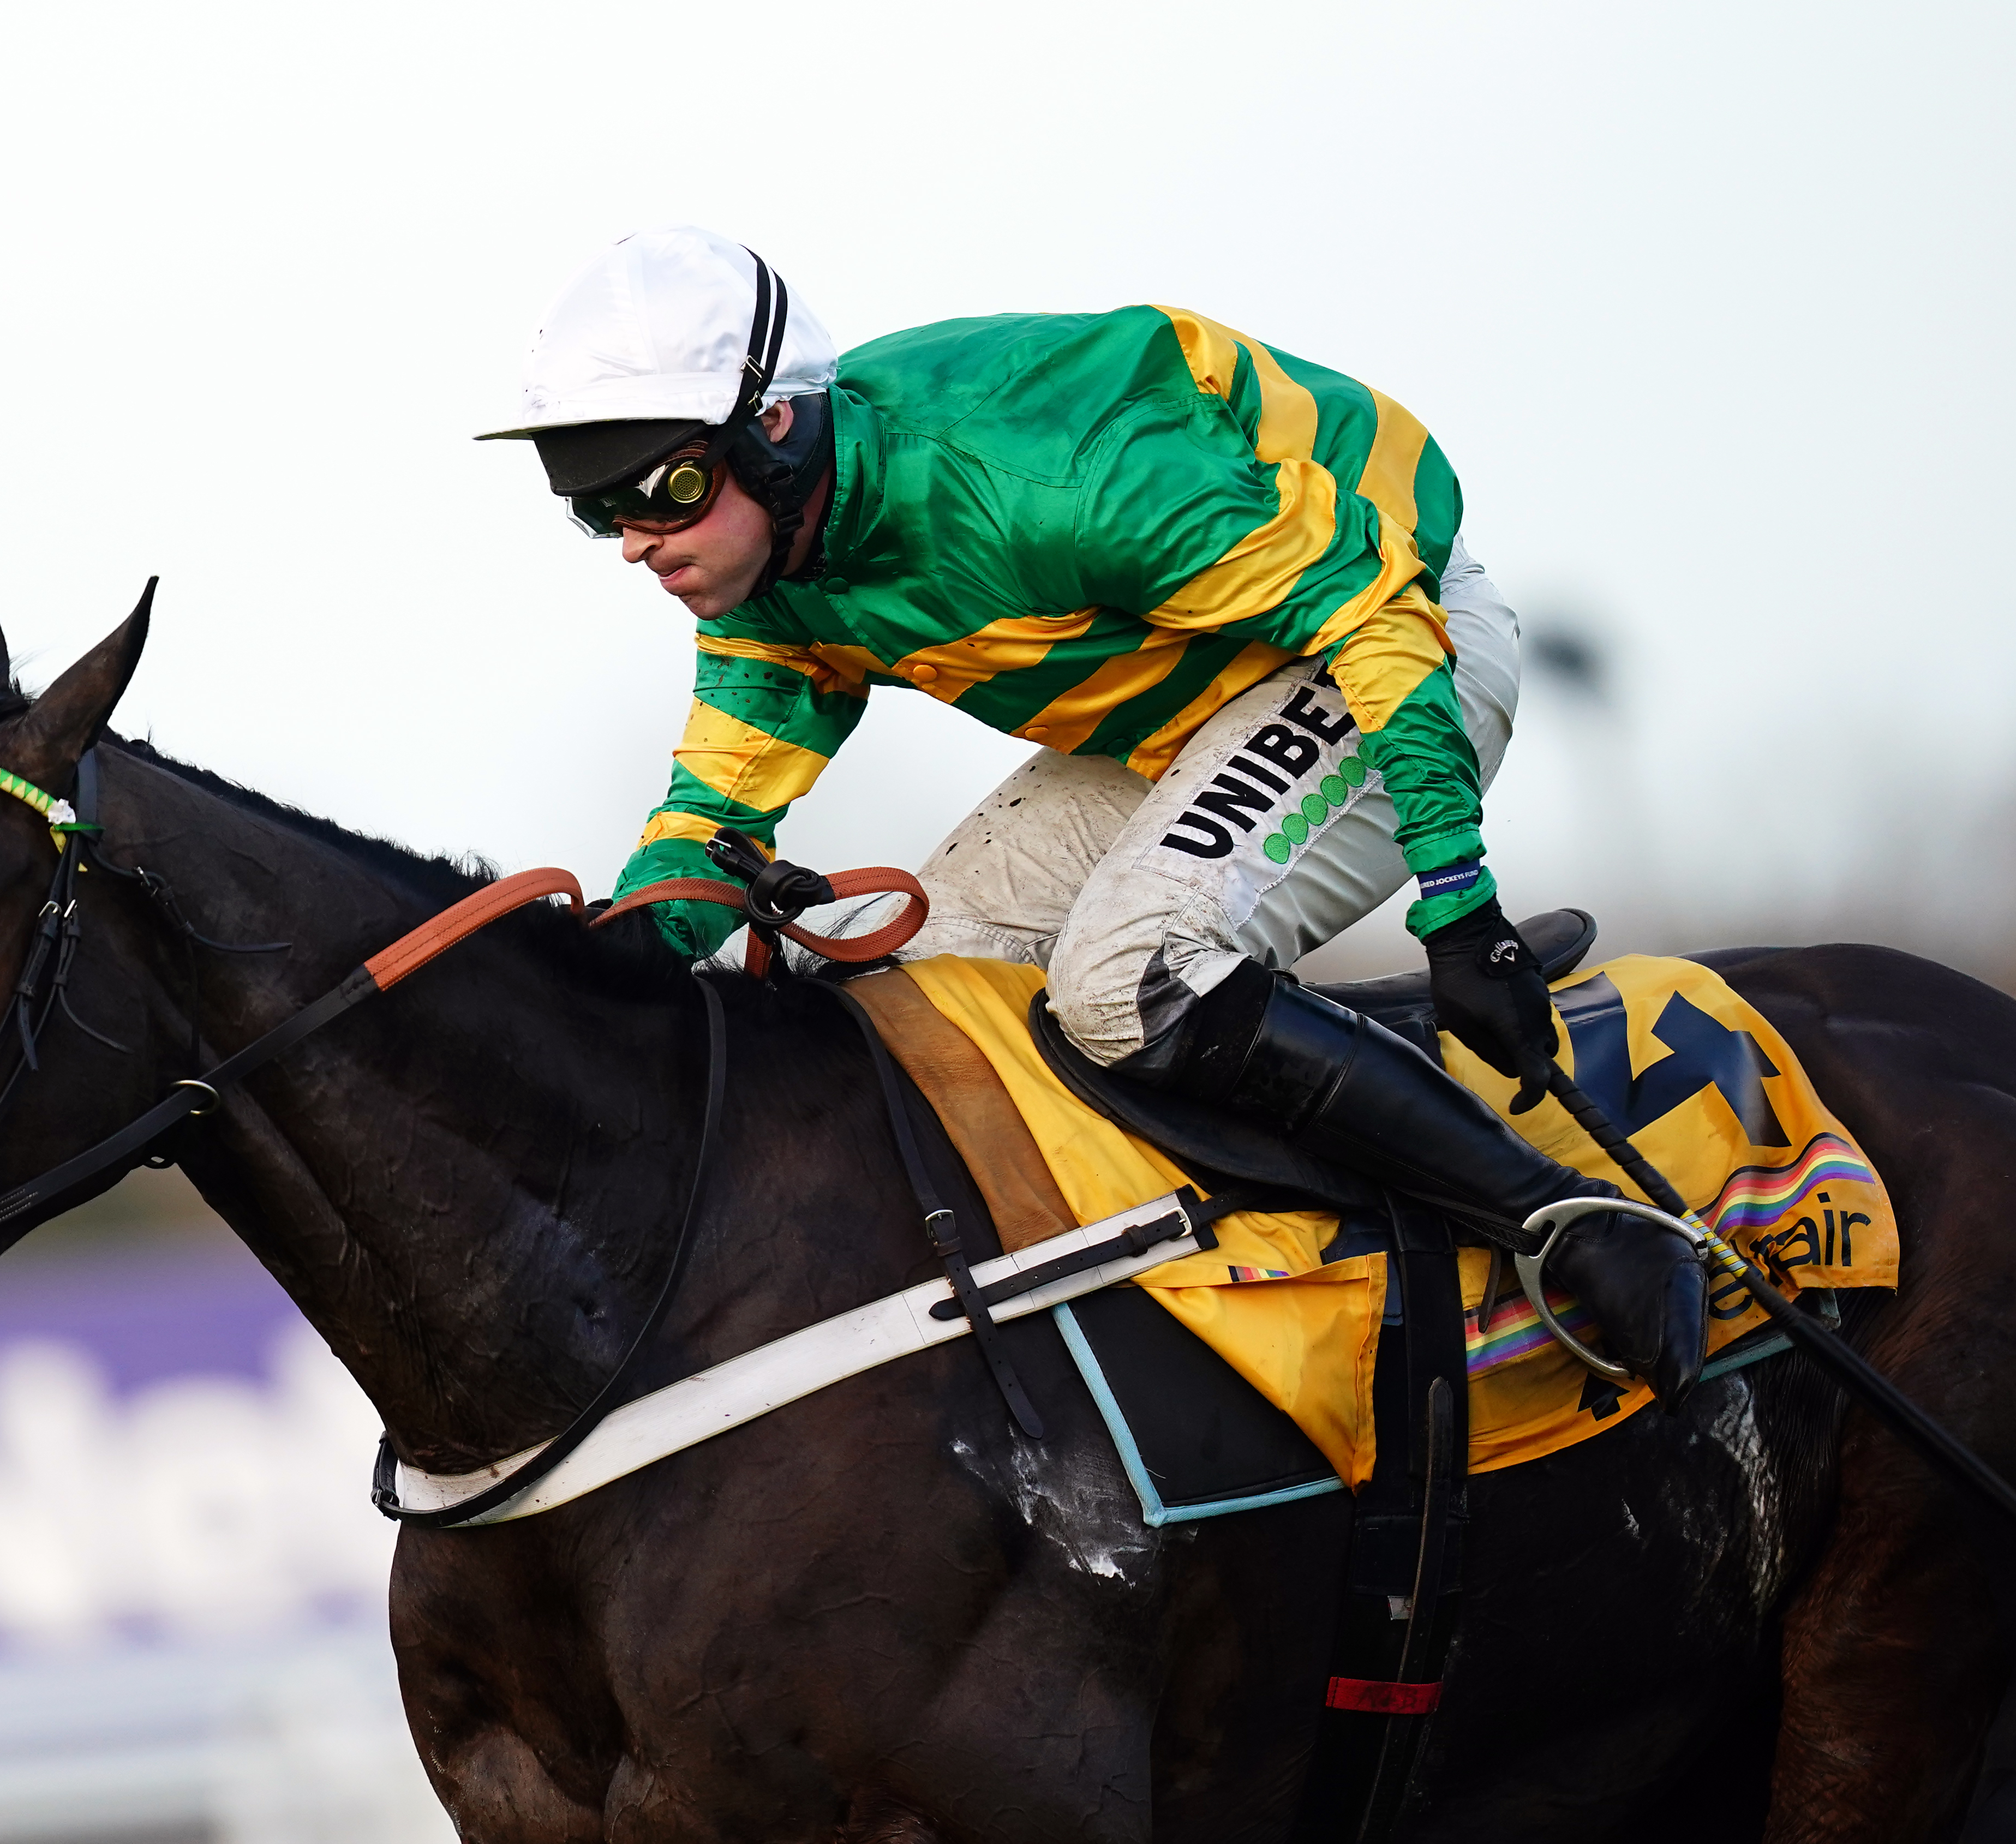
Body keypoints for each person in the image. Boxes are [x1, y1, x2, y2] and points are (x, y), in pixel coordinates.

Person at [481, 227, 1703, 1403]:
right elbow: (709, 822)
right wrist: (596, 977)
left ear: (779, 431)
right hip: (1190, 705)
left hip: (1397, 643)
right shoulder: (766, 581)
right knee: (883, 995)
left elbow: (1372, 617)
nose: (641, 543)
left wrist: (1461, 907)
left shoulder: (1044, 478)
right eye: (601, 511)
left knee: (1121, 980)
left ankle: (1565, 1220)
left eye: (667, 491)